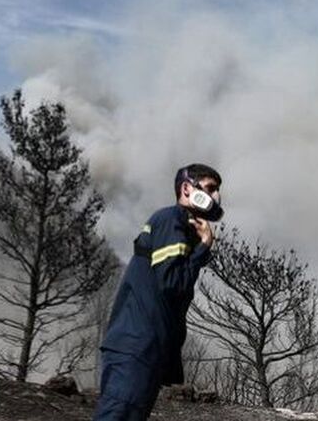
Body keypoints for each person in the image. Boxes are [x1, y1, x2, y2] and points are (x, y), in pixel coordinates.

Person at [93, 163, 223, 420]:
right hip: (137, 347)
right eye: (210, 188)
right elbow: (173, 282)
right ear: (187, 188)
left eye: (218, 190)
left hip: (145, 350)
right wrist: (203, 247)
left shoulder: (181, 227)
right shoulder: (170, 220)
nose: (216, 196)